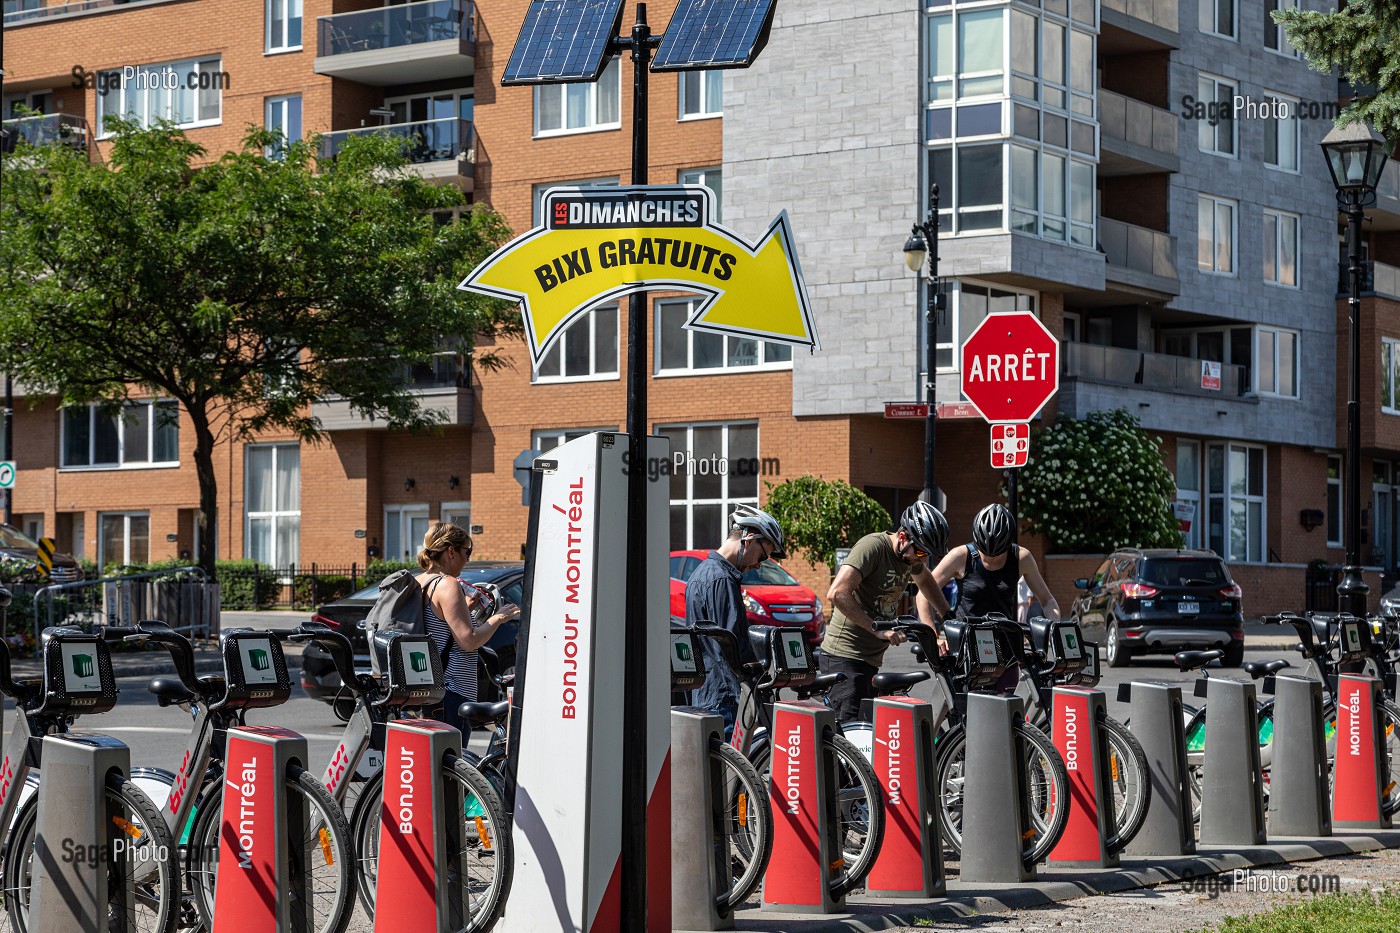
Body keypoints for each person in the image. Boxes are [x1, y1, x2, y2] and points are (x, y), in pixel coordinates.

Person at [820, 501, 952, 722]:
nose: (922, 559)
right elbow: (837, 593)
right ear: (902, 537)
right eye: (920, 551)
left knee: (868, 736)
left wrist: (948, 617)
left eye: (927, 554)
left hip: (870, 659)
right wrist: (876, 630)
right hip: (844, 657)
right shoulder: (872, 547)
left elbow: (926, 581)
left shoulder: (909, 558)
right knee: (851, 739)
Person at [686, 505, 788, 739]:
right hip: (725, 696)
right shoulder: (721, 579)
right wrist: (766, 658)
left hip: (710, 693)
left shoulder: (704, 573)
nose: (759, 565)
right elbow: (731, 644)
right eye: (763, 556)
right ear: (749, 539)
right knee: (732, 772)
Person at [415, 522, 521, 734]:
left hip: (430, 691)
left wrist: (466, 609)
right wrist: (499, 617)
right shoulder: (447, 584)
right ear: (451, 551)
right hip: (451, 692)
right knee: (454, 763)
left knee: (436, 764)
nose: (468, 559)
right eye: (467, 552)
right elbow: (468, 640)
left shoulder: (420, 581)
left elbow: (440, 628)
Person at [932, 503, 1060, 624]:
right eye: (985, 552)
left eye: (998, 553)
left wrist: (1054, 628)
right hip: (966, 638)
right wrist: (935, 633)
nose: (991, 559)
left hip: (1003, 637)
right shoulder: (960, 555)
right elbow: (925, 593)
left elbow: (1047, 600)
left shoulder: (1021, 557)